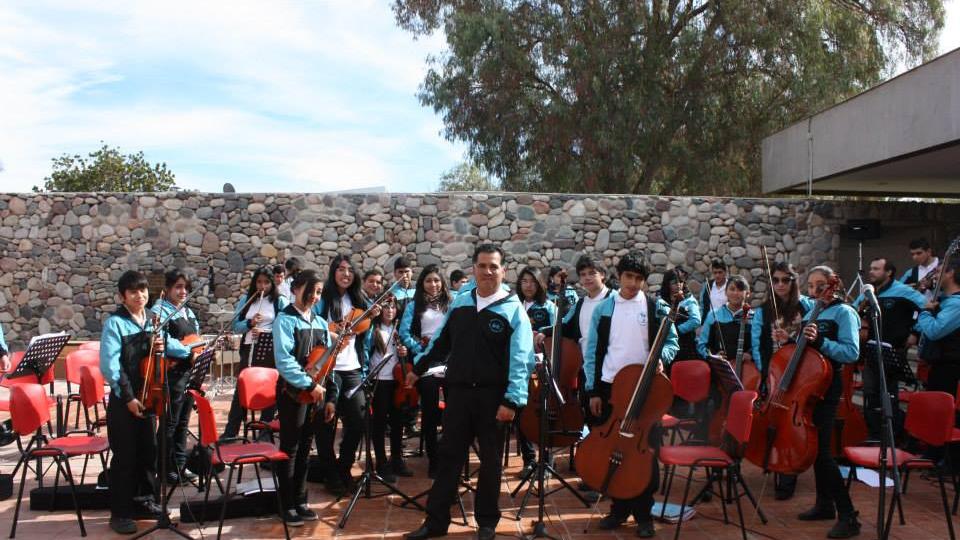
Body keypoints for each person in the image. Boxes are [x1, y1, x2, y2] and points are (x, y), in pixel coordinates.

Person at [403, 244, 534, 540]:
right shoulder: (461, 304)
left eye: (494, 266)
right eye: (482, 266)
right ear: (473, 269)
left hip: (493, 399)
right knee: (449, 458)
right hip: (458, 395)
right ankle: (435, 523)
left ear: (504, 271)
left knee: (490, 463)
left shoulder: (513, 309)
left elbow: (521, 360)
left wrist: (512, 401)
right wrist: (417, 368)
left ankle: (487, 522)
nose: (488, 272)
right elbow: (439, 343)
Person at [582, 250, 678, 537]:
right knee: (614, 451)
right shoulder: (604, 309)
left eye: (639, 278)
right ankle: (619, 509)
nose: (633, 283)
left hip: (646, 389)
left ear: (645, 281)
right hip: (612, 389)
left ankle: (644, 514)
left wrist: (664, 357)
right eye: (628, 277)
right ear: (619, 276)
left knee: (644, 453)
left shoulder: (654, 307)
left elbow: (671, 343)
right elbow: (593, 353)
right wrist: (593, 390)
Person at [796, 266, 861, 538]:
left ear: (832, 286)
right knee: (813, 450)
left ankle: (848, 516)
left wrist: (821, 340)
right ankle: (824, 505)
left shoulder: (844, 312)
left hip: (828, 387)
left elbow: (851, 352)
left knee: (822, 452)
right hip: (808, 387)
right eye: (810, 286)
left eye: (820, 285)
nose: (814, 291)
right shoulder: (812, 310)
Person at [100, 270, 165, 534]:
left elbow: (161, 351)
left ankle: (145, 501)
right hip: (124, 399)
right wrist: (127, 397)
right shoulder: (115, 324)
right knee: (125, 457)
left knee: (148, 452)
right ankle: (121, 512)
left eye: (143, 290)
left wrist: (162, 345)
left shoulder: (153, 319)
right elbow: (110, 365)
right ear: (122, 296)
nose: (140, 296)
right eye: (133, 292)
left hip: (149, 393)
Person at [273, 269, 338, 527]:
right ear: (296, 289)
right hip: (292, 393)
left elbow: (327, 364)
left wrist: (328, 395)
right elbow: (284, 361)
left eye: (319, 292)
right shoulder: (284, 320)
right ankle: (286, 503)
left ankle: (300, 499)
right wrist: (309, 384)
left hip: (316, 394)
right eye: (310, 291)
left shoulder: (321, 323)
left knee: (305, 446)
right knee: (290, 448)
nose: (314, 296)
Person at [313, 254, 378, 496]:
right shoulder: (323, 300)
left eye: (350, 270)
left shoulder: (359, 299)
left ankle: (343, 467)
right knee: (324, 425)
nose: (346, 274)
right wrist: (332, 328)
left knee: (358, 421)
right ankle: (331, 475)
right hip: (327, 368)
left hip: (351, 368)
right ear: (333, 273)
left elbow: (365, 337)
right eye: (341, 269)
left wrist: (370, 318)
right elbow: (311, 323)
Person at [750, 261, 814, 500]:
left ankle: (789, 470)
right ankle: (773, 461)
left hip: (800, 375)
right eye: (775, 280)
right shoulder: (763, 311)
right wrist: (767, 373)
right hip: (774, 375)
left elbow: (813, 336)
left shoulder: (806, 306)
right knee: (773, 422)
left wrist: (791, 338)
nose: (779, 284)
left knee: (791, 423)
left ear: (794, 281)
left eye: (785, 280)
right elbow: (757, 345)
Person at [853, 257, 925, 439]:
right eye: (871, 268)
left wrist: (915, 333)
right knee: (870, 393)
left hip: (894, 350)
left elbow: (927, 309)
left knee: (888, 394)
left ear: (889, 272)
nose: (871, 272)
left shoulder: (904, 291)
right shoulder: (868, 292)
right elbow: (853, 311)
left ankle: (893, 435)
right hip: (870, 350)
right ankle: (874, 433)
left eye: (876, 269)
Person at [222, 266, 289, 441]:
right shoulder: (247, 299)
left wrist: (266, 333)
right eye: (259, 282)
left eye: (266, 282)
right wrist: (250, 323)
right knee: (241, 390)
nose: (262, 286)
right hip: (249, 349)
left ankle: (264, 433)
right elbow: (236, 325)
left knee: (269, 391)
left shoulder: (279, 301)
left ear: (272, 283)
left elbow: (286, 326)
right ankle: (231, 432)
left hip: (270, 350)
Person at [399, 264, 453, 478]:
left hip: (449, 361)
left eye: (437, 280)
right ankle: (433, 459)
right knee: (430, 412)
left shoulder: (451, 304)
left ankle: (450, 455)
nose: (433, 284)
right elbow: (404, 332)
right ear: (422, 283)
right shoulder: (415, 306)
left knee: (453, 412)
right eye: (429, 280)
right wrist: (421, 348)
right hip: (425, 361)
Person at [149, 269, 202, 485]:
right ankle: (164, 468)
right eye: (178, 287)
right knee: (170, 422)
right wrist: (188, 351)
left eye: (185, 287)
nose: (182, 291)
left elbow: (196, 336)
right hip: (171, 372)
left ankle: (180, 464)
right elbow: (162, 339)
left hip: (188, 371)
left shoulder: (187, 311)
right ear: (168, 288)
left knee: (183, 421)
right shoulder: (160, 310)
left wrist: (200, 350)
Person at [514, 266, 557, 477]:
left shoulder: (548, 307)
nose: (528, 285)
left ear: (539, 284)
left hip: (541, 368)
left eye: (532, 281)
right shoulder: (513, 306)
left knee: (543, 413)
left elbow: (556, 336)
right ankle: (528, 459)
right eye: (524, 281)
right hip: (518, 367)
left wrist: (540, 336)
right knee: (521, 413)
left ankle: (546, 461)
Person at [368, 296, 411, 483]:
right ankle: (381, 461)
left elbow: (407, 351)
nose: (390, 311)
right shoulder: (372, 329)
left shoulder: (399, 330)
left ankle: (396, 458)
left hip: (396, 380)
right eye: (386, 308)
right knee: (379, 422)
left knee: (397, 421)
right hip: (379, 380)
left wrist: (405, 351)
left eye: (393, 308)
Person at [915, 254, 960, 397]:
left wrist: (925, 311)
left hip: (950, 369)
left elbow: (934, 331)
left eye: (939, 272)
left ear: (950, 273)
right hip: (938, 364)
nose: (935, 276)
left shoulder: (956, 304)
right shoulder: (944, 301)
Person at [697, 275, 753, 365]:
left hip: (747, 371)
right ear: (726, 292)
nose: (735, 293)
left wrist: (750, 355)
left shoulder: (753, 318)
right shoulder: (713, 315)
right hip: (719, 369)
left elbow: (761, 346)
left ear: (748, 293)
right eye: (732, 289)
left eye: (740, 290)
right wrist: (713, 356)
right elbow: (702, 345)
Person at [658, 267, 700, 361]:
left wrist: (677, 330)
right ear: (667, 285)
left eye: (680, 282)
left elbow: (696, 320)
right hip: (666, 345)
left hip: (685, 345)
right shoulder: (662, 301)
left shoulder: (688, 300)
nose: (678, 285)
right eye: (674, 283)